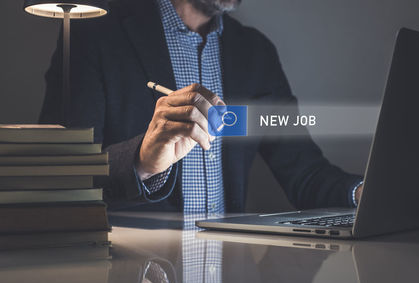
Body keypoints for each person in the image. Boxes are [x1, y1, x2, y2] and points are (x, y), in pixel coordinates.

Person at [40, 0, 363, 212]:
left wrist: (364, 193)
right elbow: (63, 172)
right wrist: (142, 161)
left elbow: (304, 173)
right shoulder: (93, 35)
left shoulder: (256, 52)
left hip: (226, 275)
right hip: (132, 271)